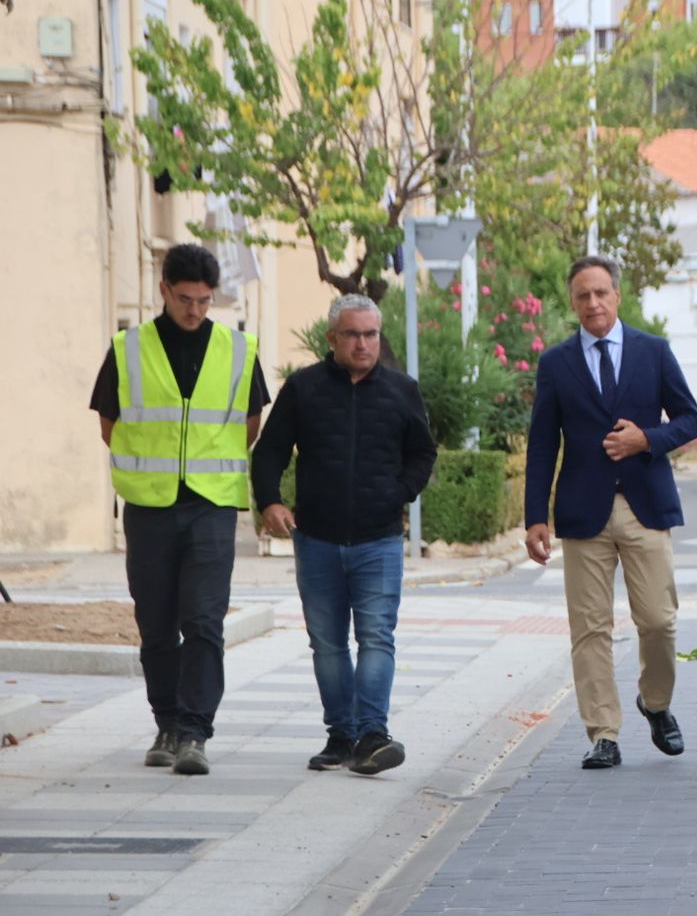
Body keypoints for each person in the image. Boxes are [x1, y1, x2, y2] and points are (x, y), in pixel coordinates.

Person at [89, 243, 270, 776]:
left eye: (205, 300)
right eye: (185, 298)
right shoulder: (127, 348)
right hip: (148, 507)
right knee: (156, 624)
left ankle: (194, 732)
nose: (195, 310)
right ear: (164, 290)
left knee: (205, 621)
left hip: (211, 507)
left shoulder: (238, 349)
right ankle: (166, 722)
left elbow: (251, 421)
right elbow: (109, 423)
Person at [525, 255, 697, 770]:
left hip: (646, 505)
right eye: (582, 295)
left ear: (617, 296)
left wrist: (648, 438)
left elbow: (691, 419)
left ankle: (656, 701)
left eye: (601, 293)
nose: (593, 303)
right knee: (589, 627)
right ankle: (603, 731)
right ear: (572, 302)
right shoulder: (557, 364)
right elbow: (542, 444)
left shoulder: (654, 352)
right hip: (583, 512)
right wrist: (535, 515)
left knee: (658, 620)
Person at [252, 294, 437, 776]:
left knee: (376, 637)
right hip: (316, 539)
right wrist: (270, 500)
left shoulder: (402, 390)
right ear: (331, 338)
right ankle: (342, 734)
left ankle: (373, 733)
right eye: (352, 334)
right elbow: (269, 450)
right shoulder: (304, 388)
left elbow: (423, 454)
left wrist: (399, 493)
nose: (363, 343)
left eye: (371, 334)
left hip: (378, 540)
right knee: (328, 642)